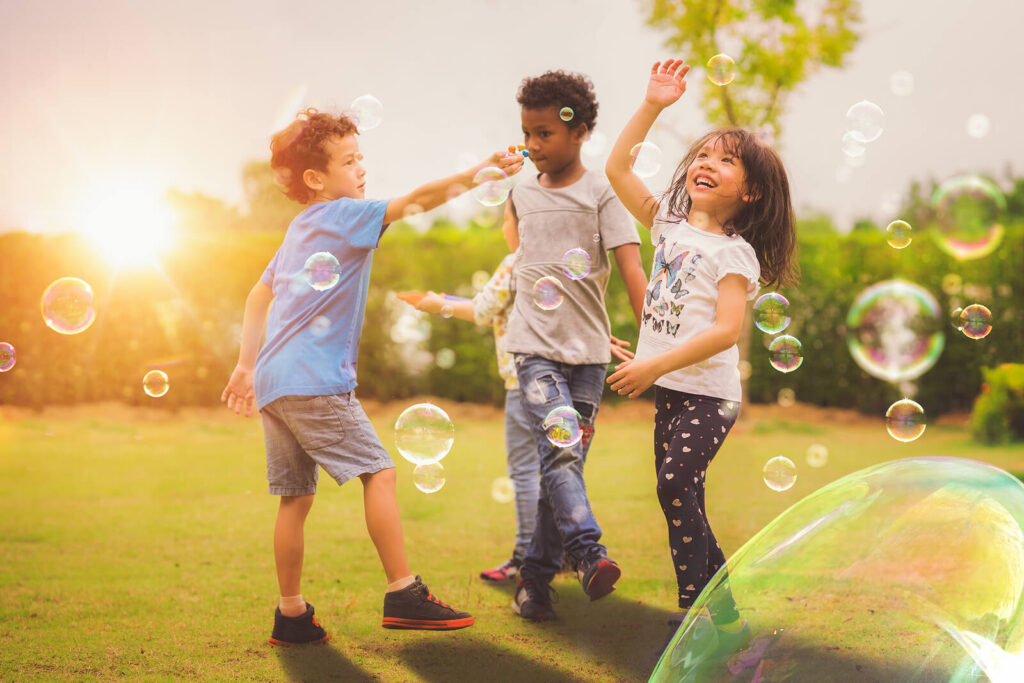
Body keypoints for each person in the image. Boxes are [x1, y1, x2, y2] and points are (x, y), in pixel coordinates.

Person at [221, 108, 523, 645]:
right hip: (316, 381)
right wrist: (483, 170)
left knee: (295, 498)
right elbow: (417, 201)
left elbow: (257, 294)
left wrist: (246, 365)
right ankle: (403, 592)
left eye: (361, 157)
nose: (362, 168)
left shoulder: (300, 227)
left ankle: (291, 614)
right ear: (316, 178)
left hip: (274, 380)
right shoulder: (346, 214)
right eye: (349, 160)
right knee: (380, 473)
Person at [604, 60, 798, 643]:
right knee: (679, 492)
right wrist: (653, 105)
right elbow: (616, 167)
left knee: (672, 486)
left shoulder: (734, 254)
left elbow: (724, 332)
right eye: (704, 155)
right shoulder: (666, 224)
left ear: (751, 190)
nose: (707, 164)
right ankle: (726, 612)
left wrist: (651, 363)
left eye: (726, 159)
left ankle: (696, 608)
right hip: (671, 390)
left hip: (709, 397)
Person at [503, 70, 649, 621]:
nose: (533, 146)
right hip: (533, 351)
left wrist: (655, 345)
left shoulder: (602, 193)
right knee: (561, 452)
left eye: (544, 134)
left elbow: (633, 269)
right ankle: (587, 554)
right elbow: (525, 262)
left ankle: (533, 583)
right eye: (527, 134)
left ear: (579, 131)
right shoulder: (518, 191)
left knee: (558, 464)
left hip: (588, 360)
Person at [397, 237, 540, 584]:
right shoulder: (549, 260)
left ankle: (527, 557)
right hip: (560, 380)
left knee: (524, 474)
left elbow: (482, 310)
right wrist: (446, 300)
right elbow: (491, 302)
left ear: (517, 222)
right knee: (555, 472)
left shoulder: (516, 258)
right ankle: (558, 551)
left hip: (521, 380)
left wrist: (435, 305)